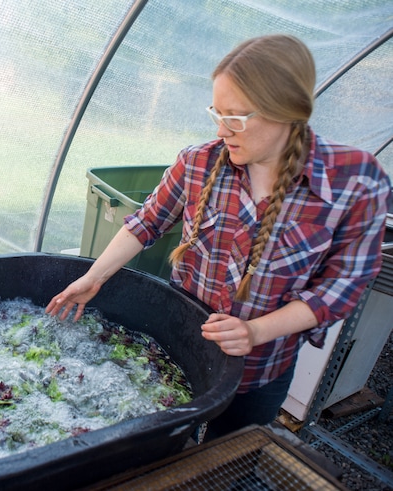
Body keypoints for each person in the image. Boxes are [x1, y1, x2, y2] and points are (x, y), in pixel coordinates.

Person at [46, 34, 391, 441]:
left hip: (263, 369)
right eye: (217, 112)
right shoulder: (198, 162)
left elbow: (342, 287)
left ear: (288, 111)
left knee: (228, 455)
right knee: (167, 454)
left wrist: (255, 332)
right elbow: (146, 222)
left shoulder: (356, 182)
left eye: (237, 117)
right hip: (179, 352)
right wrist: (95, 276)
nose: (222, 129)